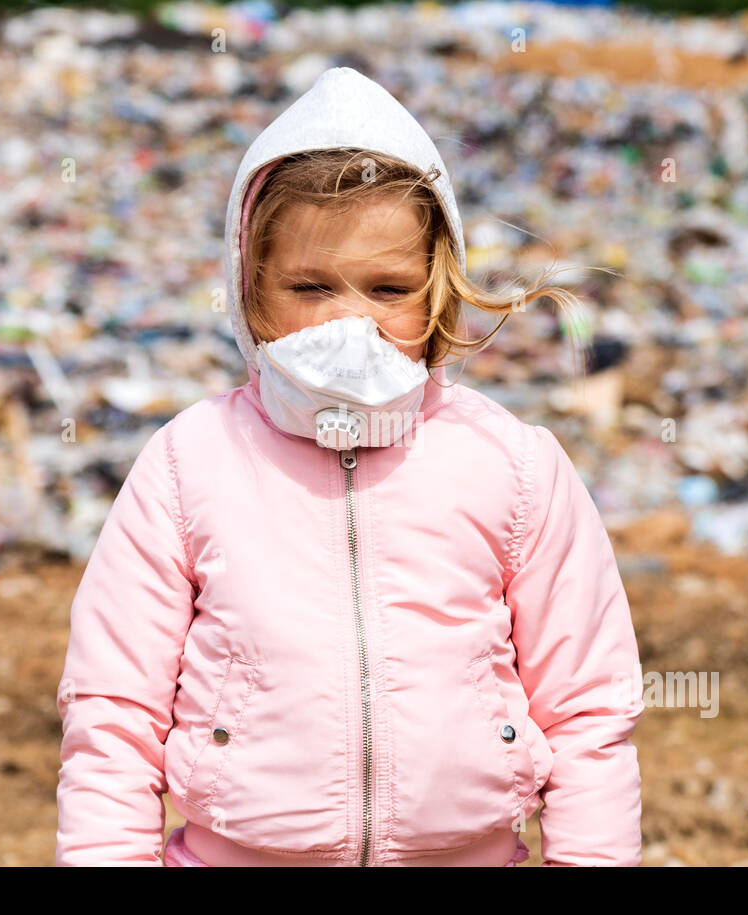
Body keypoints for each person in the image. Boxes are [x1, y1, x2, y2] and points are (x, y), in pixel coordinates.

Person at [55, 67, 644, 867]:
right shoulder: (188, 465)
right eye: (309, 286)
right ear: (249, 292)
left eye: (389, 287)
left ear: (440, 293)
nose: (350, 319)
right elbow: (112, 718)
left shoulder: (513, 466)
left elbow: (588, 711)